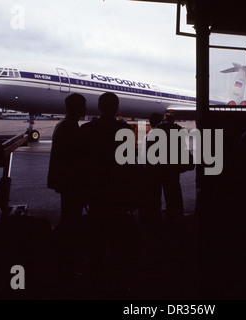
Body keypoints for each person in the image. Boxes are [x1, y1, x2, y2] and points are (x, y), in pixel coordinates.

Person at [80, 92, 140, 294]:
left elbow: (81, 165)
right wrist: (133, 195)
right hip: (118, 195)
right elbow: (130, 165)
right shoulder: (125, 131)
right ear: (116, 108)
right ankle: (121, 283)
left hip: (96, 194)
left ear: (99, 106)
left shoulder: (87, 130)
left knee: (95, 240)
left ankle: (95, 281)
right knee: (119, 241)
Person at [47, 93, 87, 286]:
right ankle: (64, 265)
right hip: (71, 183)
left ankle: (60, 259)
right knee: (71, 220)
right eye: (84, 105)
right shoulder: (70, 127)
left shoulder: (63, 125)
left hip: (64, 182)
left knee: (69, 217)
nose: (86, 108)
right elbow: (77, 159)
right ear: (77, 108)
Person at [154, 112, 184, 224]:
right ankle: (176, 211)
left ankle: (160, 213)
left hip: (161, 163)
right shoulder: (179, 129)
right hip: (174, 163)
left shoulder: (159, 128)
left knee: (161, 188)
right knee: (174, 188)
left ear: (165, 119)